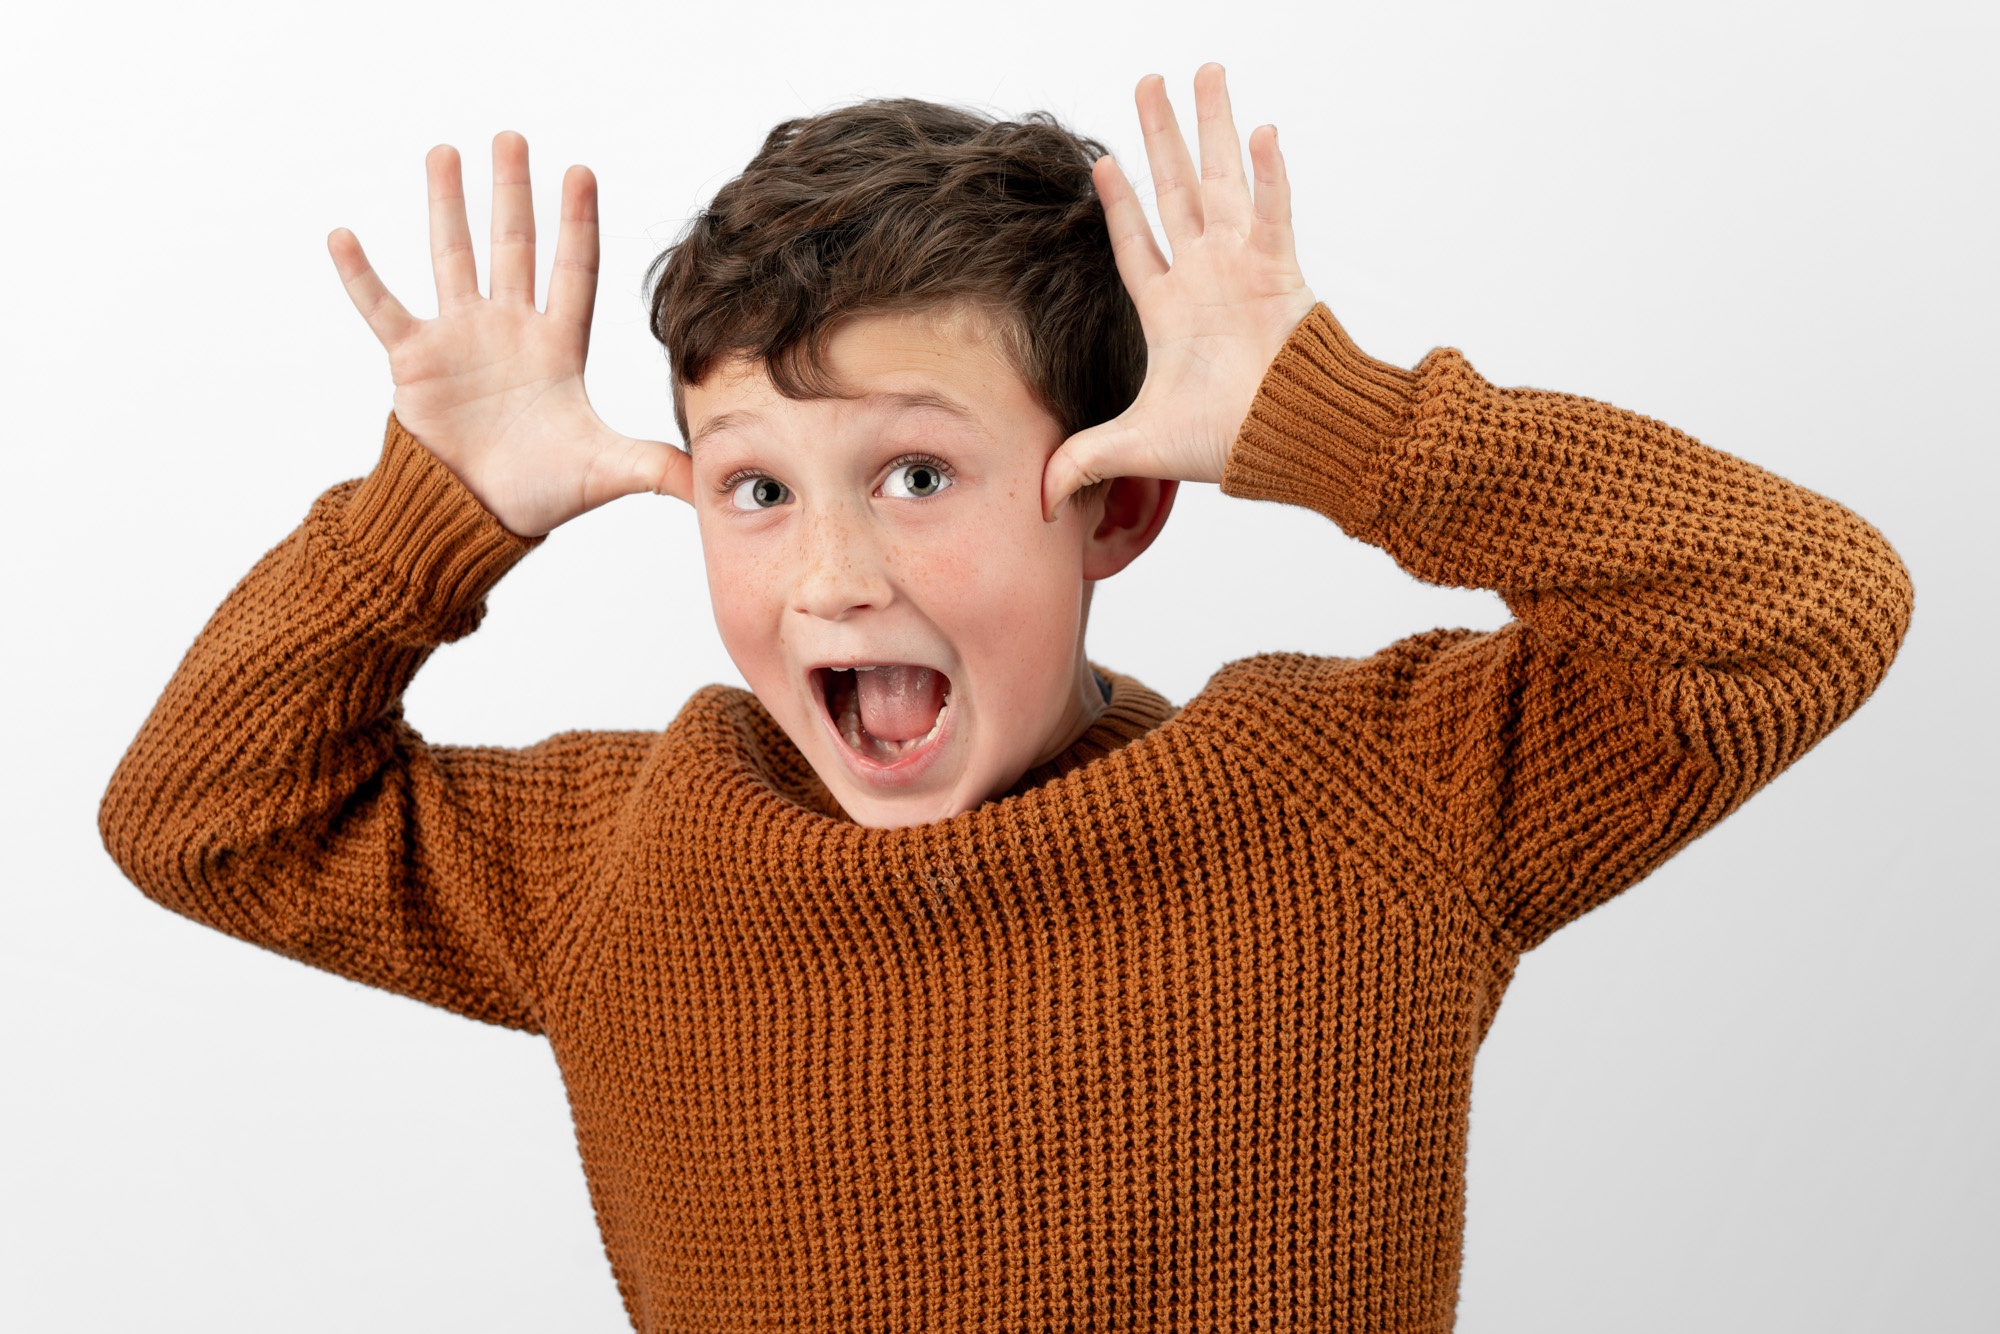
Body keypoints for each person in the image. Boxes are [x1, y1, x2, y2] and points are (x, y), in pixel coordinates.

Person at [98, 64, 1912, 1331]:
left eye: (914, 475)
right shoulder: (623, 860)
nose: (830, 577)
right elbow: (202, 817)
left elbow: (1799, 612)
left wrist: (1347, 427)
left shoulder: (1363, 806)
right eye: (754, 486)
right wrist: (441, 513)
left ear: (1113, 498)